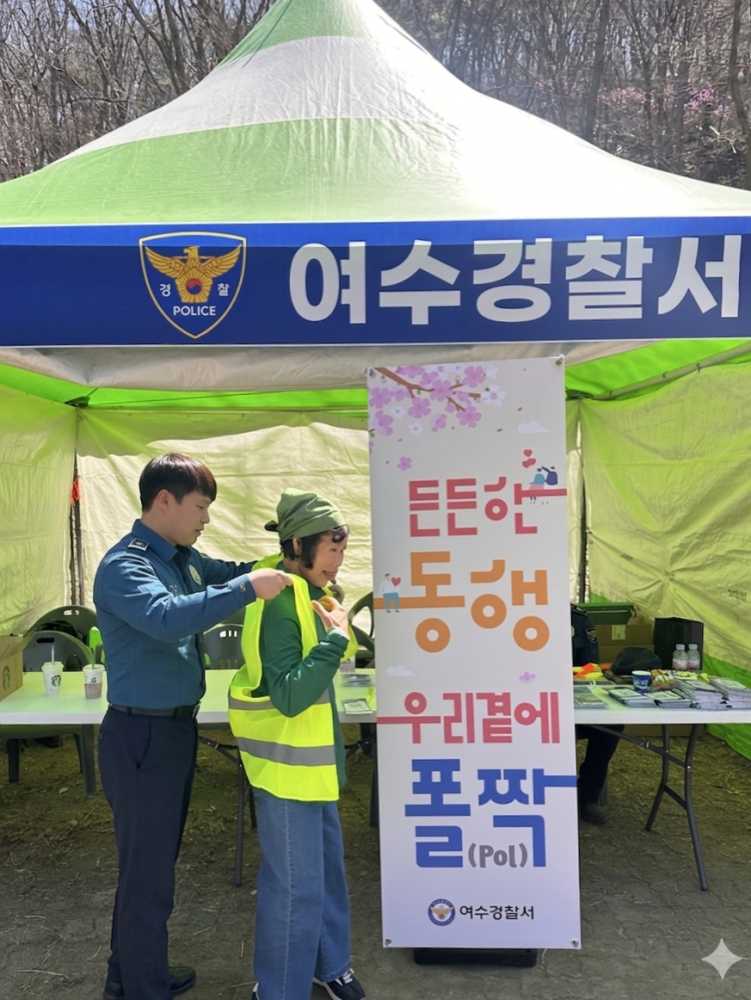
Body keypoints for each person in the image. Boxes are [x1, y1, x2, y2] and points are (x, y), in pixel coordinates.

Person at [94, 454, 291, 1000]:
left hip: (171, 732)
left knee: (152, 865)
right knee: (148, 872)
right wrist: (249, 588)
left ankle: (129, 974)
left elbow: (231, 571)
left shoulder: (184, 558)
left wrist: (287, 559)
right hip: (141, 737)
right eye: (201, 507)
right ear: (165, 501)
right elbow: (167, 618)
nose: (206, 519)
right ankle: (142, 987)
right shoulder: (125, 566)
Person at [228, 489, 366, 1000]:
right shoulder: (281, 604)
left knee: (324, 877)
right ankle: (279, 989)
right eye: (332, 550)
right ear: (296, 545)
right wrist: (335, 642)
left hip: (313, 768)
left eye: (342, 550)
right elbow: (288, 696)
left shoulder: (309, 591)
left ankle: (330, 965)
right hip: (286, 772)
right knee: (294, 889)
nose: (338, 561)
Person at [571, 605, 623, 825]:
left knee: (611, 725)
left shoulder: (578, 620)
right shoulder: (514, 614)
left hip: (572, 702)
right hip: (528, 708)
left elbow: (590, 668)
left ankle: (587, 796)